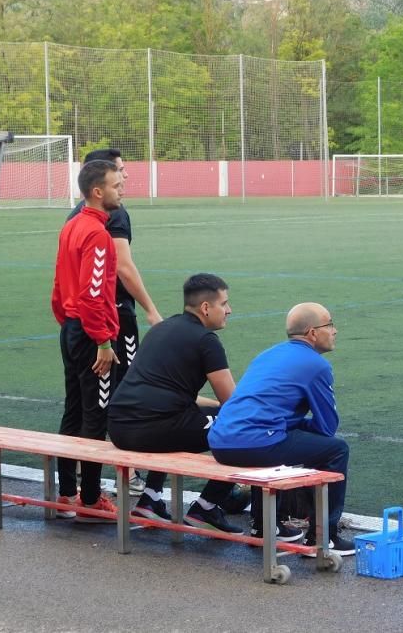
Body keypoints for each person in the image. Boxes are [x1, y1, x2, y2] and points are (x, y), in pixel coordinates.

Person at [107, 273, 255, 535]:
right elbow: (233, 404)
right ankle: (206, 507)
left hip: (119, 427)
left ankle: (150, 499)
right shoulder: (206, 341)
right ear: (206, 307)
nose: (229, 310)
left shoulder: (161, 329)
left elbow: (174, 394)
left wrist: (215, 410)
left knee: (200, 415)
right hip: (152, 429)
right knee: (244, 429)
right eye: (224, 304)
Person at [209, 302, 354, 556]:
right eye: (330, 324)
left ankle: (264, 528)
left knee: (274, 440)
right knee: (337, 449)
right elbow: (327, 427)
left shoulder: (267, 354)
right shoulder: (316, 365)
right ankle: (324, 537)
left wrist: (291, 425)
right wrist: (301, 424)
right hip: (255, 443)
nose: (335, 331)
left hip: (220, 442)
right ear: (312, 332)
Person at [69, 148, 162, 496]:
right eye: (118, 173)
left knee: (79, 403)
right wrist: (149, 309)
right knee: (121, 393)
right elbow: (119, 269)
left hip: (76, 322)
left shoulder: (74, 217)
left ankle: (74, 483)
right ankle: (116, 479)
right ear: (98, 184)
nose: (124, 179)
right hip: (111, 318)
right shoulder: (108, 219)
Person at [51, 159, 123, 521]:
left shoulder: (72, 226)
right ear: (97, 191)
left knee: (74, 410)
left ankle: (67, 492)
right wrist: (102, 341)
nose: (121, 190)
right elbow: (93, 293)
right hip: (91, 334)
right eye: (116, 185)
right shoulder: (96, 234)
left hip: (71, 328)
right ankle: (91, 499)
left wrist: (69, 323)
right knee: (96, 415)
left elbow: (59, 285)